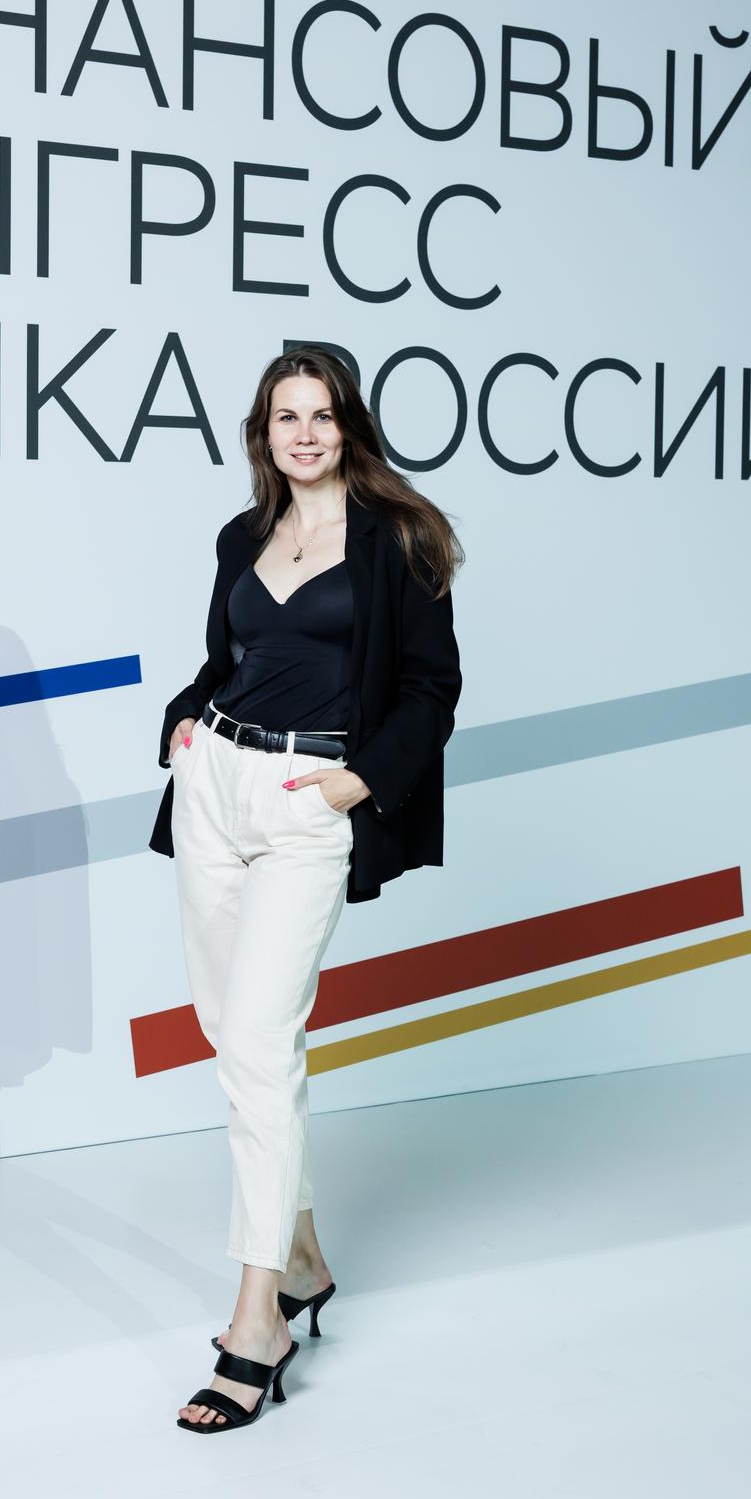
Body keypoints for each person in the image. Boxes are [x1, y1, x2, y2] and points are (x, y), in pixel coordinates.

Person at [149, 345, 464, 1433]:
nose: (306, 434)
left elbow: (431, 689)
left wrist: (357, 782)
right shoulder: (242, 536)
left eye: (322, 415)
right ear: (264, 432)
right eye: (287, 416)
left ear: (349, 426)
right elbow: (226, 661)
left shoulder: (401, 538)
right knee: (231, 1041)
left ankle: (257, 1325)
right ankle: (305, 1259)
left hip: (305, 802)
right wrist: (184, 724)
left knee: (257, 1042)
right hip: (214, 790)